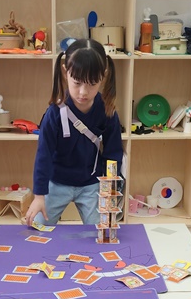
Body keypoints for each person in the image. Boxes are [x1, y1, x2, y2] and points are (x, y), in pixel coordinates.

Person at [23, 39, 123, 227]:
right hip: (56, 183)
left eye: (92, 84)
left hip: (91, 184)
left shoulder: (107, 111)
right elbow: (43, 155)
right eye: (77, 83)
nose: (83, 92)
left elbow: (114, 154)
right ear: (65, 72)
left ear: (103, 76)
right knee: (37, 228)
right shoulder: (55, 113)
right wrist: (39, 196)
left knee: (101, 232)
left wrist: (110, 189)